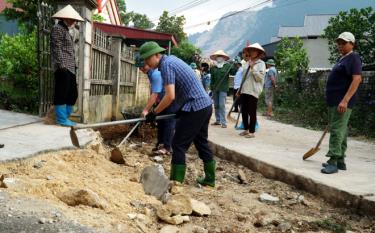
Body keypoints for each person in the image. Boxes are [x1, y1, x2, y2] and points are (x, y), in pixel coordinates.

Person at [139, 41, 216, 187]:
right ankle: (210, 179)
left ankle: (175, 183)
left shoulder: (166, 66)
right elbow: (182, 90)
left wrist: (154, 113)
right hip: (204, 105)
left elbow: (170, 96)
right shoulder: (171, 61)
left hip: (195, 106)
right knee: (201, 142)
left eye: (147, 58)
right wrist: (178, 110)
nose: (146, 63)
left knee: (178, 144)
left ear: (157, 55)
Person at [321, 32, 362, 174]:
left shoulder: (354, 58)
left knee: (337, 130)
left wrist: (345, 100)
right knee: (341, 130)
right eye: (339, 43)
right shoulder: (342, 59)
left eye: (344, 43)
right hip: (334, 101)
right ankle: (340, 161)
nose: (340, 45)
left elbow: (357, 79)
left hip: (342, 101)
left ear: (352, 44)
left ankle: (332, 161)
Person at [135, 55, 176, 155]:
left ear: (148, 63)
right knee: (161, 122)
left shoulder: (156, 74)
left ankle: (167, 147)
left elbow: (155, 94)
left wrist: (146, 110)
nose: (141, 69)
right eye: (139, 67)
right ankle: (160, 144)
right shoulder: (150, 73)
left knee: (168, 123)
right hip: (161, 101)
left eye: (143, 66)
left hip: (169, 101)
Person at [51, 5, 84, 126]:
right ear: (66, 18)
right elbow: (57, 47)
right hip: (63, 66)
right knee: (62, 92)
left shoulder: (65, 30)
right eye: (73, 19)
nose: (74, 22)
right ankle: (61, 119)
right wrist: (61, 65)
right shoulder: (58, 28)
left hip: (70, 66)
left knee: (72, 93)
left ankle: (66, 117)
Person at [237, 43, 266, 138]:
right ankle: (246, 129)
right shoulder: (246, 63)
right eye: (251, 50)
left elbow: (259, 78)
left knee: (251, 111)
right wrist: (239, 89)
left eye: (255, 50)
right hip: (244, 89)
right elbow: (243, 78)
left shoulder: (261, 64)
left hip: (253, 90)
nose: (253, 52)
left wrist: (253, 67)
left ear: (258, 52)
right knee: (244, 111)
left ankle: (252, 131)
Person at [210, 50, 236, 128]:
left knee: (222, 105)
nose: (219, 58)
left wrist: (234, 65)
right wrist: (212, 88)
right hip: (215, 88)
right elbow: (212, 79)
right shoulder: (213, 68)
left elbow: (234, 72)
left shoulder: (227, 66)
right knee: (216, 105)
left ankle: (223, 122)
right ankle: (218, 120)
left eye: (220, 56)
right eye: (218, 56)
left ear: (224, 58)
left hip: (223, 88)